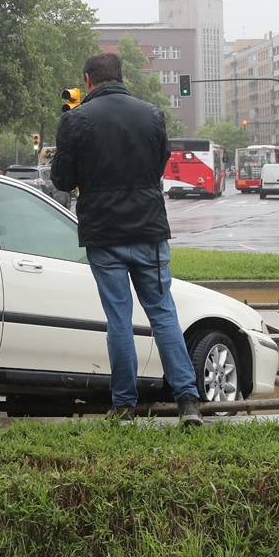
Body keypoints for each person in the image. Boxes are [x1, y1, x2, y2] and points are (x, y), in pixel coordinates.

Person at [51, 53, 203, 426]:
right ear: (121, 76)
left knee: (118, 318)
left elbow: (63, 181)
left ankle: (124, 406)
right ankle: (188, 402)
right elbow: (157, 165)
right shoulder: (151, 114)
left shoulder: (75, 120)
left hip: (104, 234)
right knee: (163, 313)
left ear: (88, 81)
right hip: (149, 231)